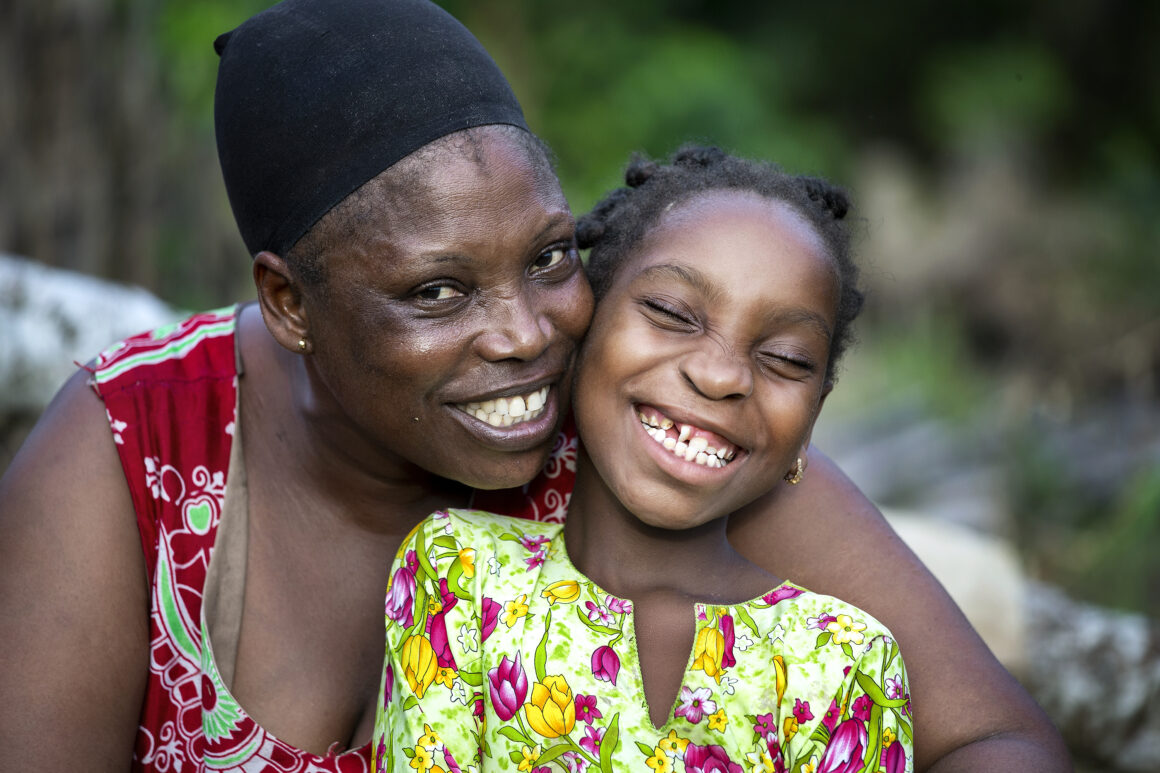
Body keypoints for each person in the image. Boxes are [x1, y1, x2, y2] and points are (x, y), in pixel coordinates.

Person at [0, 0, 1069, 771]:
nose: (526, 333)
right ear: (287, 304)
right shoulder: (133, 445)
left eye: (550, 256)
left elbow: (997, 735)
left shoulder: (641, 433)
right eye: (435, 291)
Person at [375, 146, 914, 772]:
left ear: (812, 417)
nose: (719, 376)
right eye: (670, 313)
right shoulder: (459, 575)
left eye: (788, 359)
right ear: (587, 322)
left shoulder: (845, 663)